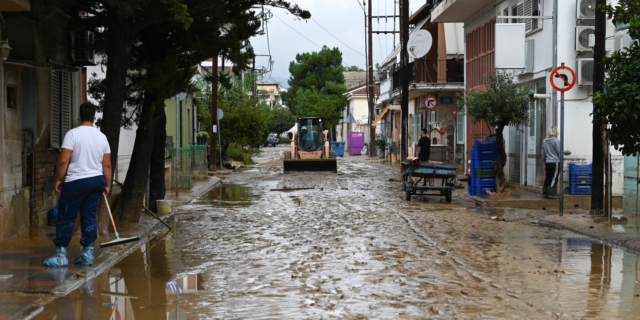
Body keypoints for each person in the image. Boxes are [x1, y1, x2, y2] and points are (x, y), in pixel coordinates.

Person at [44, 102, 112, 267]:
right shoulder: (102, 137)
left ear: (79, 117)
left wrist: (59, 179)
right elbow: (107, 165)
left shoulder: (72, 134)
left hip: (76, 182)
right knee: (89, 215)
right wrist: (107, 185)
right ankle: (87, 253)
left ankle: (61, 254)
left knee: (66, 215)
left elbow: (63, 160)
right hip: (96, 181)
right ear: (94, 118)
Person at [542, 126, 571, 199]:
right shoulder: (556, 140)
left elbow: (543, 152)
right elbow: (559, 151)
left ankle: (544, 193)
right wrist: (567, 152)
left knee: (548, 177)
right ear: (556, 132)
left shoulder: (544, 140)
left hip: (548, 162)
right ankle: (551, 194)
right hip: (555, 162)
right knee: (554, 177)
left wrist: (544, 161)